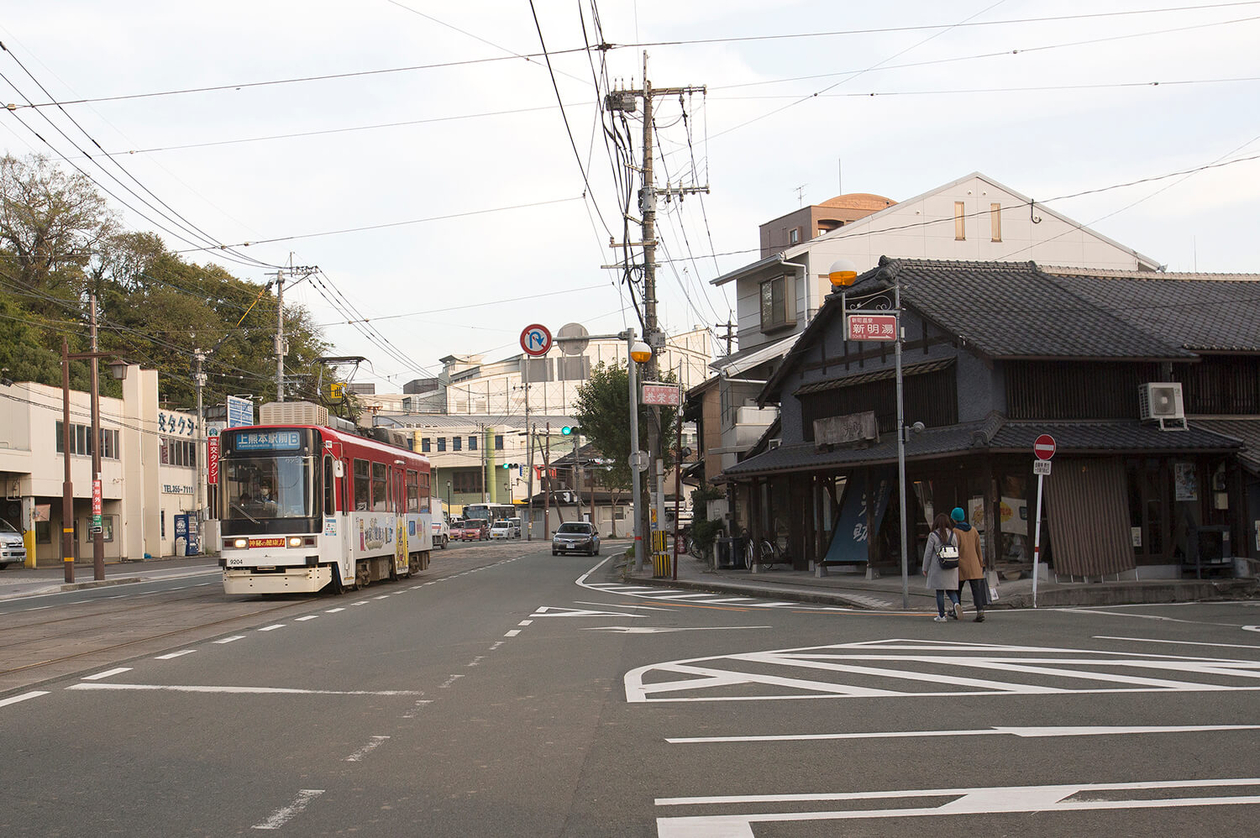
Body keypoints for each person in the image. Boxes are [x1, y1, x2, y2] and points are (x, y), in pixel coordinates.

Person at [921, 512, 961, 622]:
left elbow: (928, 553)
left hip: (938, 566)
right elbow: (956, 548)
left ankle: (942, 616)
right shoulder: (953, 534)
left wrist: (925, 568)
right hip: (951, 565)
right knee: (950, 590)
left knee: (939, 591)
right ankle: (956, 603)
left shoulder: (933, 535)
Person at [952, 507, 987, 622]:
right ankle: (980, 610)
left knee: (957, 589)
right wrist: (981, 562)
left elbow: (954, 548)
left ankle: (957, 610)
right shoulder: (973, 530)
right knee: (976, 590)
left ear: (954, 519)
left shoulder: (955, 532)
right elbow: (978, 548)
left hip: (961, 564)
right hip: (974, 563)